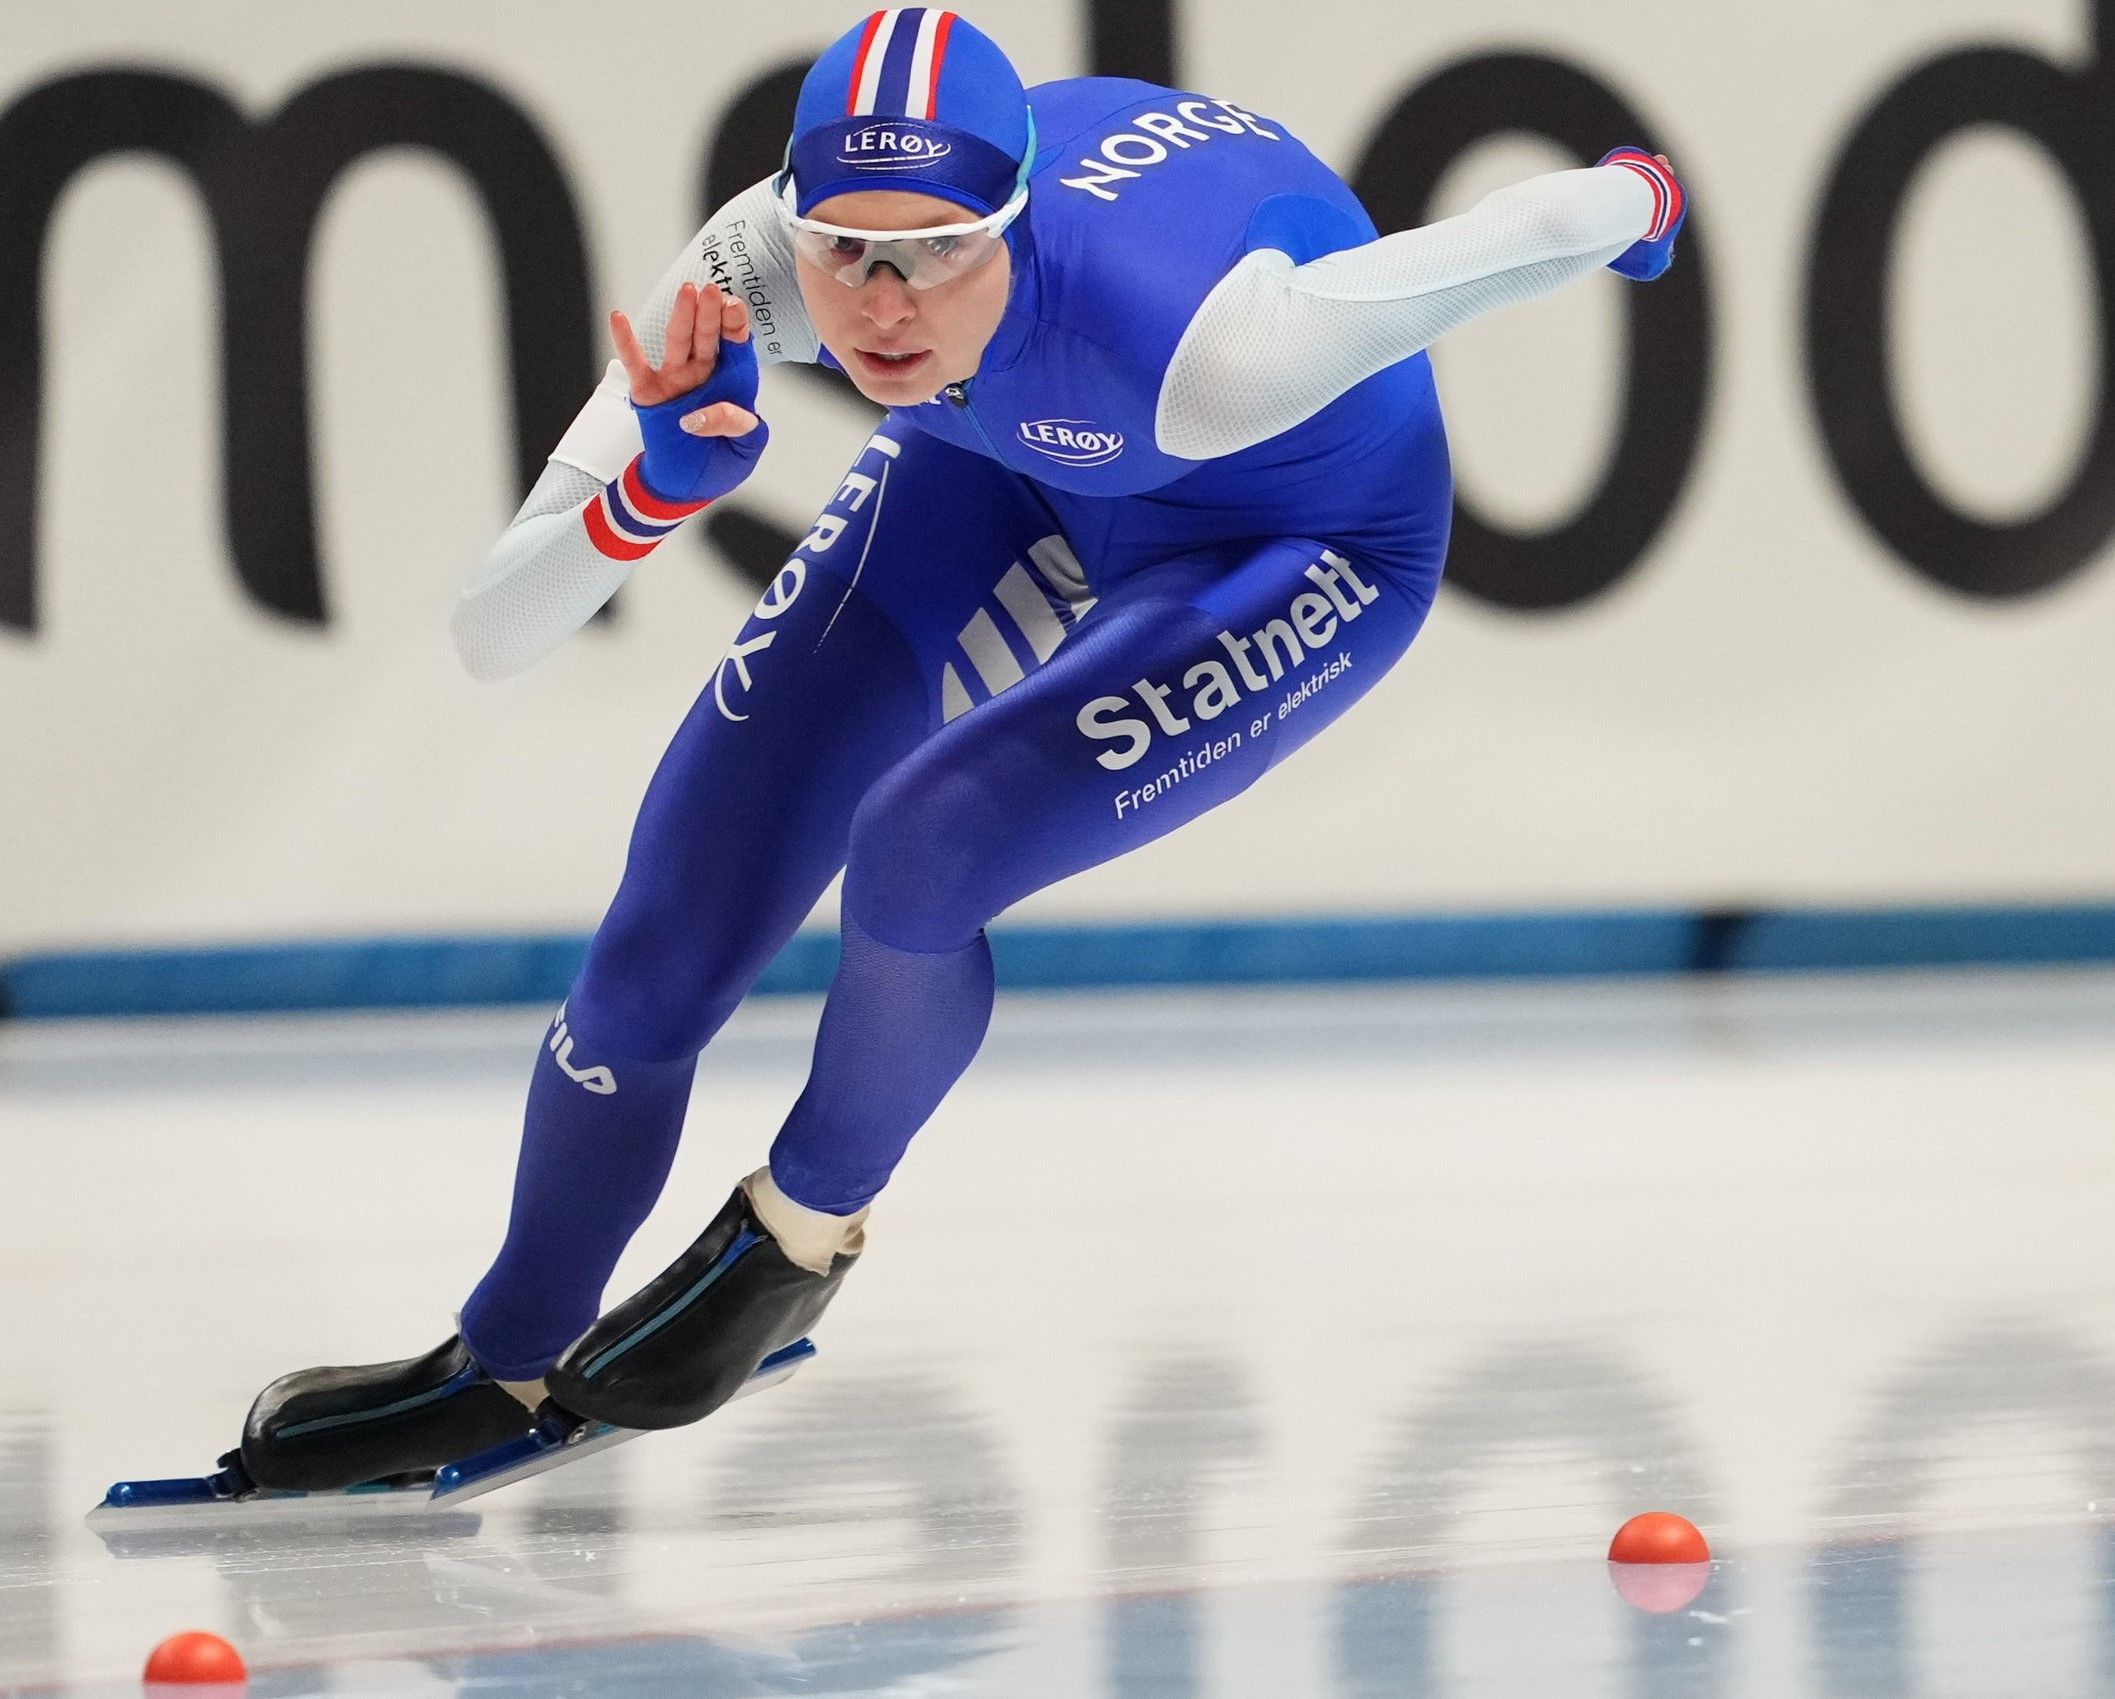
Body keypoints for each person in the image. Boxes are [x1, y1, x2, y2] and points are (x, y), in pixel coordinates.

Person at [235, 8, 1686, 1491]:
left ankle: (797, 1233)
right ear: (790, 215)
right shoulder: (749, 270)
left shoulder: (1216, 347)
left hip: (1294, 538)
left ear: (1016, 221)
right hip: (989, 464)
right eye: (844, 250)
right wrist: (649, 494)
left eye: (938, 250)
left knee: (924, 843)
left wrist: (1639, 203)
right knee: (667, 928)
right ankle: (505, 1355)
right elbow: (494, 631)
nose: (881, 305)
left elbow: (1520, 235)